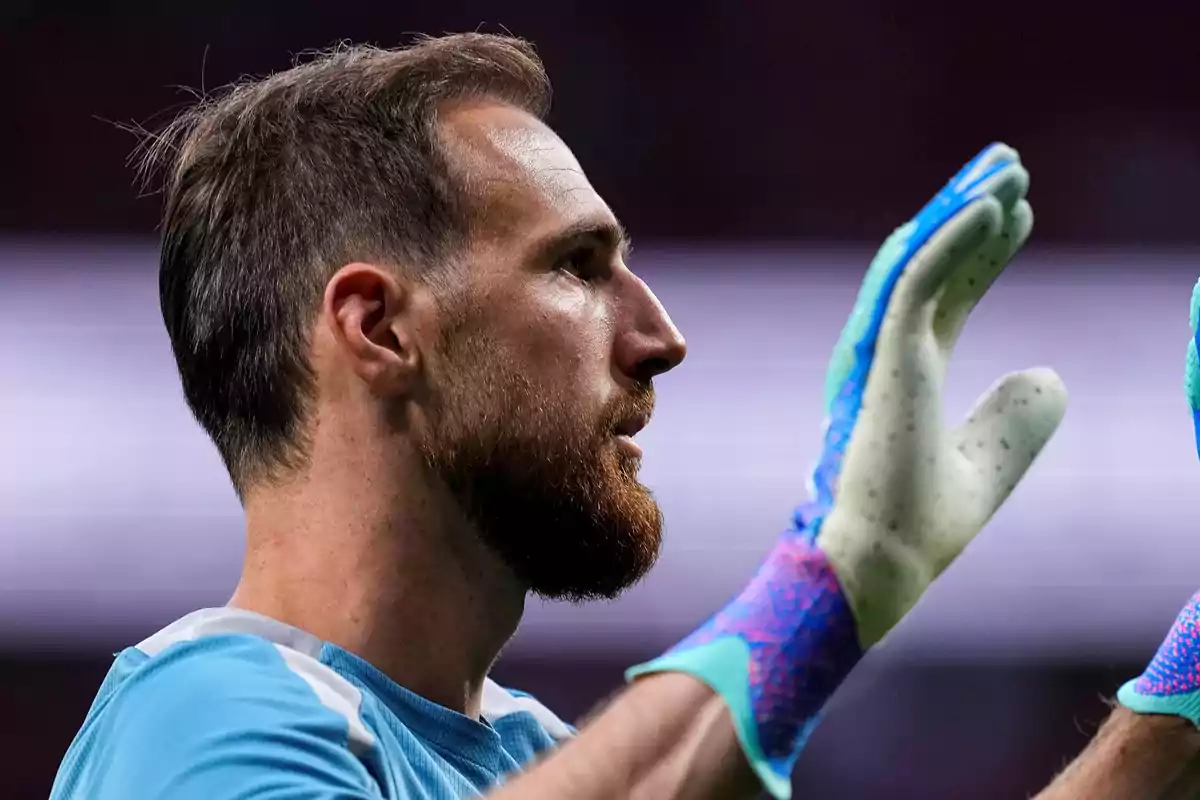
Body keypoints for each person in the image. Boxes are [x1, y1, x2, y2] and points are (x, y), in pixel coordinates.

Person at [50, 33, 1073, 800]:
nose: (660, 334)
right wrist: (829, 581)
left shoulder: (532, 750)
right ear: (379, 327)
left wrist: (1177, 711)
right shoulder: (200, 718)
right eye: (579, 267)